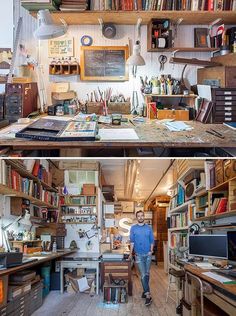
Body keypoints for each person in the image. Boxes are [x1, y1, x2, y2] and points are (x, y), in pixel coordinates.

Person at [130, 210, 154, 306]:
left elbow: (152, 241)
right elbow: (132, 242)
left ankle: (144, 291)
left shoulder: (149, 228)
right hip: (138, 255)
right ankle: (148, 295)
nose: (140, 217)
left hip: (148, 255)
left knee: (147, 274)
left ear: (144, 217)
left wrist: (151, 251)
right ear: (137, 218)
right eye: (138, 216)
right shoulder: (133, 228)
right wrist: (130, 253)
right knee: (143, 274)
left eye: (142, 215)